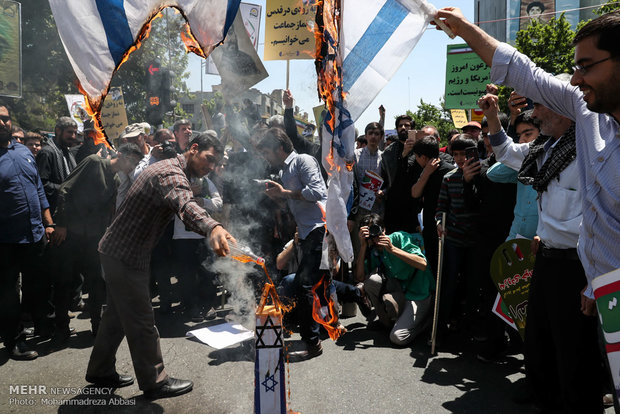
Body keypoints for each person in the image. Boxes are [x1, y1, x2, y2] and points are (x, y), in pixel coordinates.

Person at [85, 133, 235, 399]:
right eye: (208, 159)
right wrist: (212, 226)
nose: (210, 167)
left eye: (215, 164)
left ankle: (99, 369)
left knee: (117, 317)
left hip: (121, 252)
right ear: (194, 148)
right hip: (125, 254)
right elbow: (186, 205)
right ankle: (155, 380)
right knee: (142, 320)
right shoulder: (170, 173)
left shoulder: (171, 169)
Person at [479, 90, 601, 412]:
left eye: (542, 105)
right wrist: (492, 116)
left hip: (577, 265)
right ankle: (541, 394)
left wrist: (593, 281)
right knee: (538, 334)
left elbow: (601, 221)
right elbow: (505, 152)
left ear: (563, 109)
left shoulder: (592, 152)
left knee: (572, 348)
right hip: (545, 256)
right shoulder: (543, 150)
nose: (535, 113)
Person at [51, 144, 144, 337]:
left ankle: (97, 325)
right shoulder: (93, 162)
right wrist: (60, 224)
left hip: (94, 237)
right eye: (131, 160)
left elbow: (111, 211)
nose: (133, 165)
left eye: (136, 162)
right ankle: (61, 328)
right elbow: (65, 190)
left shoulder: (117, 180)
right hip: (71, 234)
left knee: (95, 283)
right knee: (64, 281)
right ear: (120, 154)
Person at [256, 127, 328, 362]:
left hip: (319, 230)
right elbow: (295, 200)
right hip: (307, 233)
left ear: (279, 147)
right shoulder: (285, 170)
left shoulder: (303, 160)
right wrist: (279, 197)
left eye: (267, 152)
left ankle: (313, 342)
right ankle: (315, 334)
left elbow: (317, 191)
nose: (266, 158)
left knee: (306, 286)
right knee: (302, 284)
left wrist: (285, 192)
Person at [0, 104, 54, 360]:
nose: (2, 123)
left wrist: (48, 222)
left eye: (5, 118)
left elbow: (38, 189)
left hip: (35, 233)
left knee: (37, 285)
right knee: (9, 292)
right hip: (6, 239)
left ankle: (38, 325)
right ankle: (13, 340)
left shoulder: (23, 151)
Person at [354, 213, 434, 346]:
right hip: (401, 289)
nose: (374, 236)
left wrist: (392, 249)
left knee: (398, 337)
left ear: (383, 229)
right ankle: (386, 322)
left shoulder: (398, 237)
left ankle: (427, 321)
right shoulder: (372, 250)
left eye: (376, 230)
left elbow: (422, 263)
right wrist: (362, 246)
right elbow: (360, 277)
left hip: (419, 292)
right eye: (369, 232)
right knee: (371, 282)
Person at [434, 135, 481, 337]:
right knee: (449, 283)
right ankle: (442, 327)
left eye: (464, 154)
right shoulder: (448, 177)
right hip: (453, 238)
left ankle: (470, 326)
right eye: (456, 154)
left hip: (476, 241)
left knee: (473, 285)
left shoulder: (483, 176)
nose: (460, 158)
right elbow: (441, 207)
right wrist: (438, 222)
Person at [410, 137, 454, 279]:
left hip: (447, 229)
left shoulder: (450, 171)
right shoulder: (423, 170)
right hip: (429, 228)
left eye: (416, 157)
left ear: (423, 157)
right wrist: (426, 174)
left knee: (447, 271)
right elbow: (415, 193)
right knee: (434, 269)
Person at [36, 116, 78, 213]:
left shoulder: (68, 152)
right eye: (70, 132)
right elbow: (42, 184)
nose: (73, 137)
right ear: (58, 131)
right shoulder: (47, 152)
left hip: (68, 208)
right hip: (53, 209)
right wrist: (65, 188)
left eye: (75, 133)